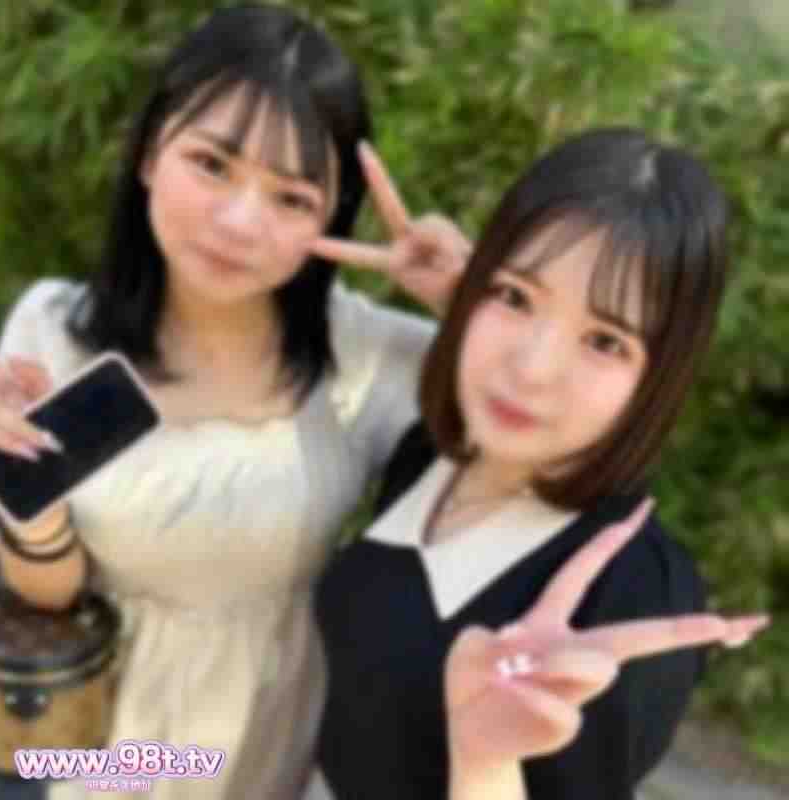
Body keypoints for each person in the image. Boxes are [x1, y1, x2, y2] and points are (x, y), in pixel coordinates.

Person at [0, 5, 469, 799]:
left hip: (273, 750)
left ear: (331, 218)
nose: (239, 222)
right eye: (212, 164)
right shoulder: (56, 332)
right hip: (89, 755)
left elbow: (546, 438)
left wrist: (467, 300)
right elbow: (46, 595)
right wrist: (21, 483)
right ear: (151, 152)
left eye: (291, 198)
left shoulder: (363, 354)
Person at [307, 127, 771, 800]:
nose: (531, 368)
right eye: (515, 296)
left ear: (660, 378)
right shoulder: (438, 454)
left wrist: (485, 766)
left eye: (605, 341)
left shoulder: (629, 595)